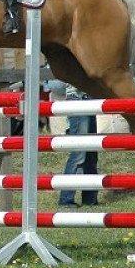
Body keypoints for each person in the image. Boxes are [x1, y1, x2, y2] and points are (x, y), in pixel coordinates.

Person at [44, 80, 98, 208]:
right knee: (78, 154)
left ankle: (90, 198)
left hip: (88, 99)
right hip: (78, 99)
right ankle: (66, 199)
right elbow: (58, 85)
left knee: (91, 154)